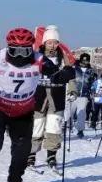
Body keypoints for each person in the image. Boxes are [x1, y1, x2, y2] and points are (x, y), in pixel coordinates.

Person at [0, 29, 64, 182]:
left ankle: (15, 181)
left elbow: (56, 74)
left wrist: (64, 75)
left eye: (25, 51)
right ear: (8, 48)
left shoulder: (39, 59)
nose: (20, 56)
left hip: (23, 110)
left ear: (31, 49)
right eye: (15, 51)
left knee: (22, 150)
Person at [29, 26, 75, 171]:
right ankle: (31, 154)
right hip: (39, 95)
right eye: (49, 42)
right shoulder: (36, 56)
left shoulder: (63, 58)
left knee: (54, 126)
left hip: (57, 96)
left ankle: (51, 155)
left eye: (55, 42)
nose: (53, 45)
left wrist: (72, 90)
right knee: (37, 125)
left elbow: (70, 76)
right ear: (44, 43)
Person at [69, 53, 96, 138]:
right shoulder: (74, 68)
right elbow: (69, 80)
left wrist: (92, 91)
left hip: (84, 94)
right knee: (69, 112)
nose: (85, 62)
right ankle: (67, 126)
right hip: (73, 93)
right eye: (83, 60)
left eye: (87, 60)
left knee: (81, 113)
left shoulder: (90, 71)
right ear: (80, 60)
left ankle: (80, 130)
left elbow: (92, 83)